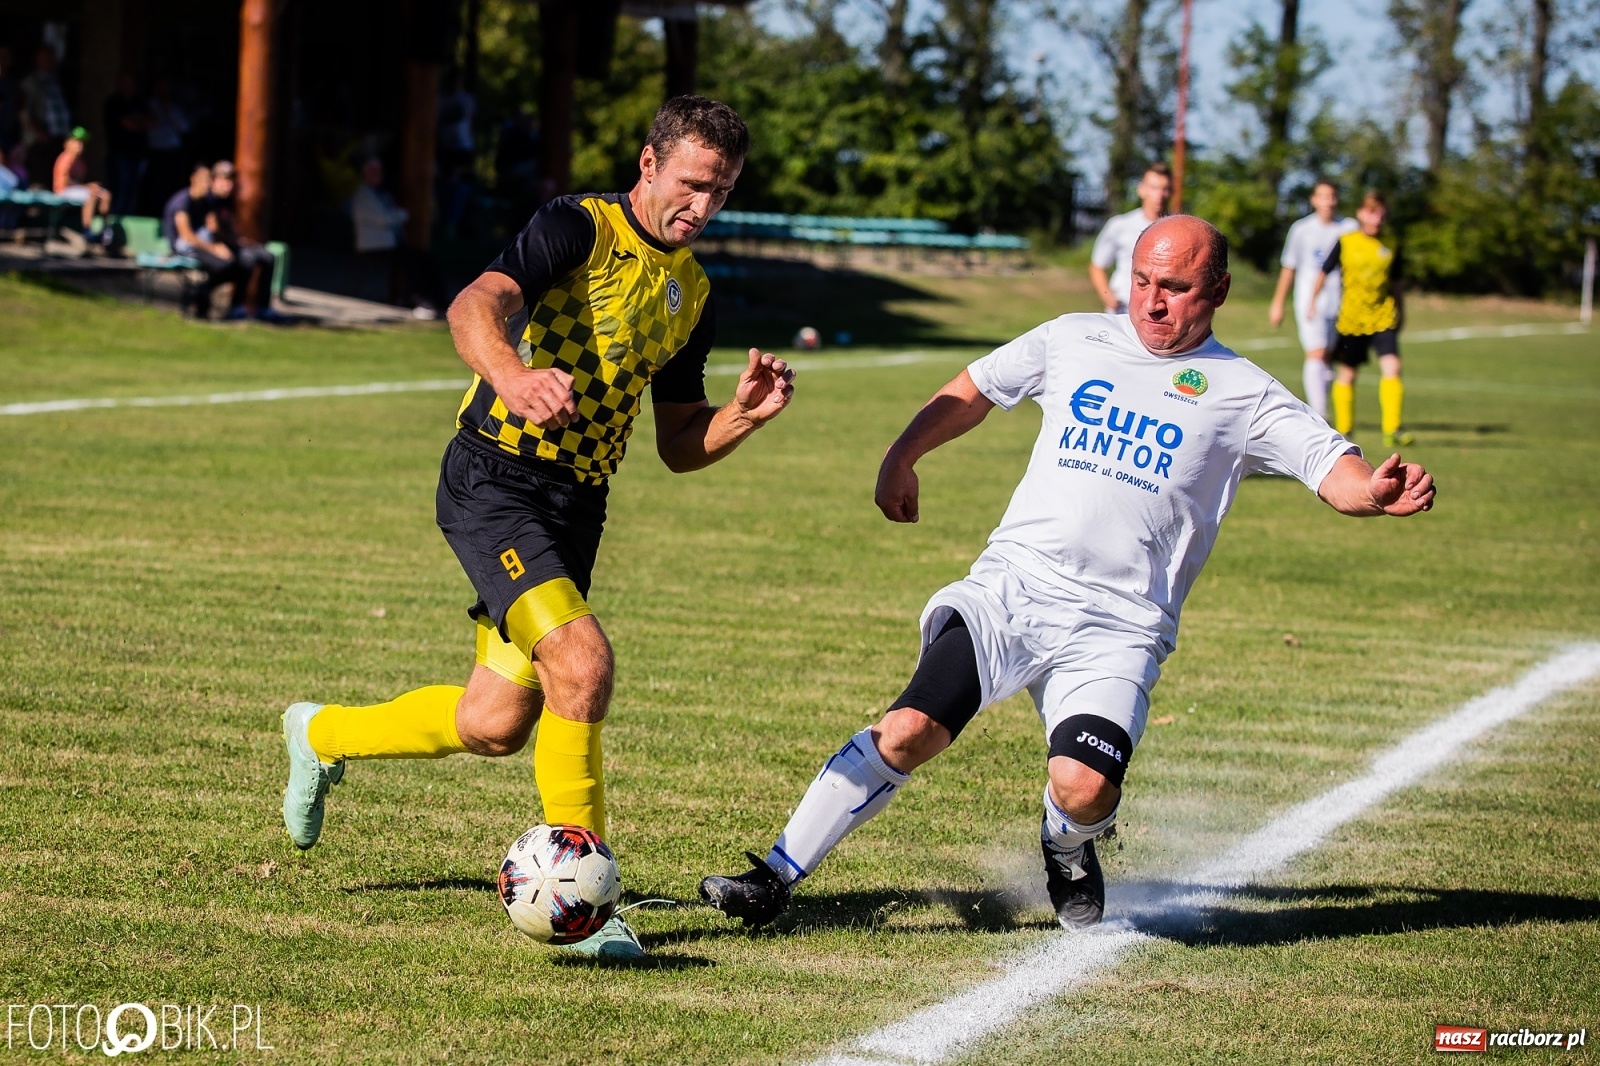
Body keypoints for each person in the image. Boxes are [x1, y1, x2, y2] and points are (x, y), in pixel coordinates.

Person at [700, 214, 1435, 932]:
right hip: (1013, 589)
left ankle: (1068, 845)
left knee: (1083, 789)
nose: (1151, 301)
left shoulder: (1245, 392)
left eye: (1174, 287)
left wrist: (1372, 492)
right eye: (1141, 281)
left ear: (1217, 291)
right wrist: (902, 455)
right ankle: (774, 877)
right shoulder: (1073, 337)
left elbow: (1330, 467)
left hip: (1121, 626)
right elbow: (974, 388)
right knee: (907, 729)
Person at [279, 96, 797, 960]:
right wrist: (514, 378)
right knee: (583, 665)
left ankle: (319, 733)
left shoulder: (694, 293)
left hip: (576, 506)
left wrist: (741, 416)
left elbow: (678, 443)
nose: (703, 205)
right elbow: (472, 306)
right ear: (648, 163)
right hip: (495, 479)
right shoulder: (577, 227)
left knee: (493, 723)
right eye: (692, 183)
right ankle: (589, 910)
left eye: (722, 191)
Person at [1309, 190, 1411, 446]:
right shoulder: (1346, 241)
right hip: (1352, 319)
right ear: (1361, 214)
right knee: (1348, 374)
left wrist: (1401, 310)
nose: (1377, 219)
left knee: (1393, 367)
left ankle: (1393, 429)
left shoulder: (1391, 243)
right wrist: (1312, 302)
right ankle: (1345, 430)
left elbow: (1397, 282)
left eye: (1381, 214)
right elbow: (1323, 272)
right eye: (1372, 213)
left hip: (1383, 315)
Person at [1268, 180, 1358, 421]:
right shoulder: (1302, 229)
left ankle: (1321, 408)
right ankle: (1320, 414)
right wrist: (1278, 303)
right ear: (1314, 200)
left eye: (1332, 196)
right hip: (1310, 301)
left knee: (1328, 356)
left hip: (1343, 302)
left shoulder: (1350, 227)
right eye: (1323, 196)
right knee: (1316, 352)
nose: (1328, 201)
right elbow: (1289, 267)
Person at [350, 156, 444, 315]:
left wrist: (398, 215)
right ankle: (419, 300)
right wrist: (404, 214)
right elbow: (385, 218)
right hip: (374, 246)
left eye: (379, 171)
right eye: (373, 171)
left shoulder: (381, 194)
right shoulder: (364, 194)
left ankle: (439, 300)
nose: (377, 174)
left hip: (389, 244)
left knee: (424, 258)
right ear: (364, 174)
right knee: (412, 260)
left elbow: (391, 215)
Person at [161, 163, 246, 319]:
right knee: (225, 265)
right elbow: (187, 236)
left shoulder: (205, 202)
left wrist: (228, 240)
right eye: (205, 180)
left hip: (202, 245)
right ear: (193, 179)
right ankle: (199, 294)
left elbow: (212, 228)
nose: (208, 184)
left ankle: (200, 291)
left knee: (240, 264)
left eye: (209, 180)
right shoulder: (182, 202)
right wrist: (214, 248)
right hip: (185, 248)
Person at [1088, 163, 1171, 314]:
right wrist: (1107, 296)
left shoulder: (1176, 229)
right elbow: (1097, 265)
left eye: (1164, 189)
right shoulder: (1120, 225)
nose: (1159, 194)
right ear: (1141, 189)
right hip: (1123, 309)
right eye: (1153, 187)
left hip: (1159, 309)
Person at [205, 160, 282, 321]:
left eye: (231, 181)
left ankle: (263, 307)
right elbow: (213, 229)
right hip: (213, 247)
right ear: (213, 180)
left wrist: (239, 240)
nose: (228, 185)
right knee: (247, 260)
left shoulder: (228, 202)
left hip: (232, 243)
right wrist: (230, 242)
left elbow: (230, 228)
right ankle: (236, 306)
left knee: (267, 256)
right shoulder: (209, 201)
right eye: (224, 180)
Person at [103, 73, 150, 215]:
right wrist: (140, 123)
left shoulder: (138, 102)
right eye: (125, 83)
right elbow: (128, 124)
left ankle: (128, 215)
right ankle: (115, 216)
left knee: (134, 188)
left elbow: (153, 121)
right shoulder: (114, 103)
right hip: (119, 153)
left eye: (131, 83)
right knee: (120, 187)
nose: (128, 86)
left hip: (138, 153)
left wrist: (137, 124)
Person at [52, 128, 114, 238]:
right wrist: (87, 187)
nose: (80, 145)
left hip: (76, 191)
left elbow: (79, 182)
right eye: (77, 141)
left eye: (82, 142)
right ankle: (87, 230)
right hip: (62, 191)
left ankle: (105, 229)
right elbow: (65, 183)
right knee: (90, 194)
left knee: (105, 195)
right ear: (67, 143)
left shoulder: (80, 162)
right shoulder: (65, 158)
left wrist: (90, 186)